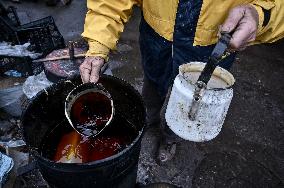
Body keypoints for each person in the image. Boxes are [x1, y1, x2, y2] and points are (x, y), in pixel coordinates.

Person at [80, 0, 284, 163]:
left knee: (189, 101)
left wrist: (261, 14)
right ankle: (145, 119)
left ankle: (170, 138)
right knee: (152, 84)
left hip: (215, 43)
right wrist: (98, 45)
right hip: (155, 36)